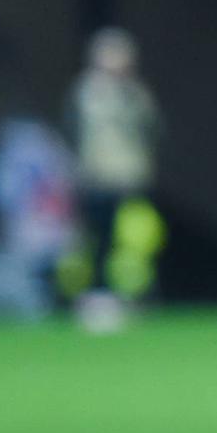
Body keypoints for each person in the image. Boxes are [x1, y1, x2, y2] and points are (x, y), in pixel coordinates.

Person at [67, 26, 159, 331]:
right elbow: (74, 134)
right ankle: (97, 292)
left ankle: (131, 293)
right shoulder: (87, 92)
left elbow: (151, 131)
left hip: (130, 176)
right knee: (97, 237)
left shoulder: (136, 93)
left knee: (133, 241)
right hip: (97, 175)